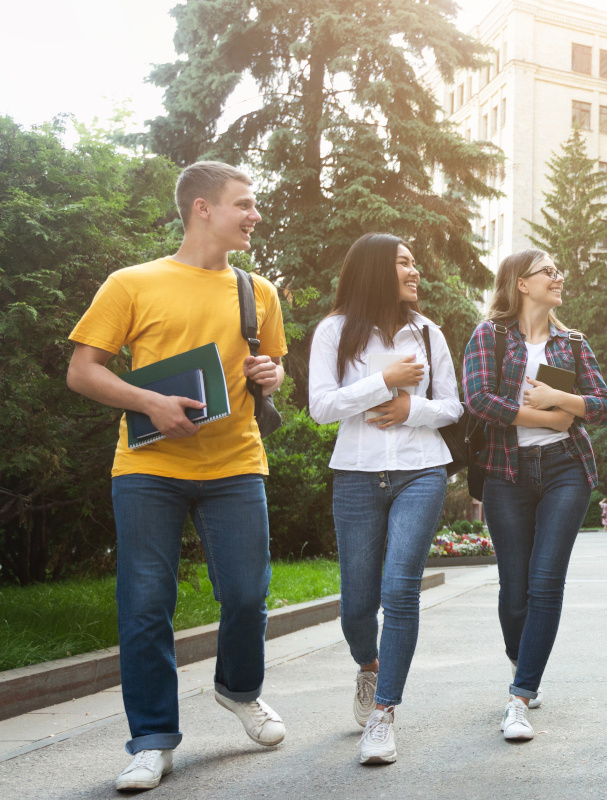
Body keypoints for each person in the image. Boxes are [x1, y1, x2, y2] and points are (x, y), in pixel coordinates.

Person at [66, 162, 287, 792]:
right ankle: (153, 740)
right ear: (202, 209)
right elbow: (84, 370)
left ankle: (239, 691)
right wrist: (148, 402)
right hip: (149, 467)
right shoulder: (132, 283)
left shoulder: (258, 292)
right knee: (144, 606)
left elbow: (268, 369)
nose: (255, 214)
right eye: (244, 204)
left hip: (236, 463)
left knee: (247, 594)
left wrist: (270, 377)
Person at [308, 233, 463, 764]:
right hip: (355, 474)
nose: (414, 271)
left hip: (421, 470)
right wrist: (384, 382)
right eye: (403, 262)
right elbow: (321, 407)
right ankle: (368, 668)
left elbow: (452, 406)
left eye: (415, 262)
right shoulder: (334, 330)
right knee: (357, 604)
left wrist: (409, 410)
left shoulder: (427, 331)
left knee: (400, 590)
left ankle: (384, 713)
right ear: (375, 268)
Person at [462, 249, 607, 741]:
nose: (558, 276)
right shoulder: (491, 335)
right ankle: (521, 658)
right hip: (505, 472)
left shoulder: (570, 344)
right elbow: (479, 399)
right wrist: (548, 416)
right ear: (521, 284)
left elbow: (604, 404)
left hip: (565, 469)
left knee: (545, 583)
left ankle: (520, 696)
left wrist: (560, 401)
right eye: (548, 271)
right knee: (514, 592)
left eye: (558, 270)